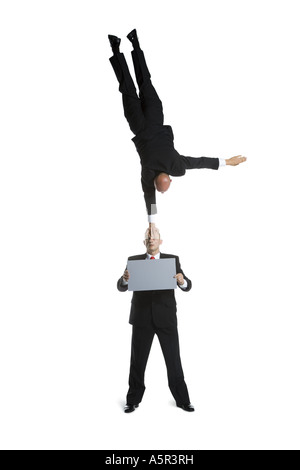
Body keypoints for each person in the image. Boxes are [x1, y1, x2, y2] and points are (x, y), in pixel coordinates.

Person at [108, 29, 247, 222]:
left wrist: (226, 162)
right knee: (132, 87)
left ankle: (126, 46)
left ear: (170, 179)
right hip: (148, 121)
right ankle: (122, 46)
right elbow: (150, 196)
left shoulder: (176, 166)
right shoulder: (151, 171)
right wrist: (151, 222)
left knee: (139, 84)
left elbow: (200, 162)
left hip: (145, 121)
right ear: (169, 179)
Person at [117, 225, 194, 413]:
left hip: (166, 318)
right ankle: (132, 399)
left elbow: (188, 285)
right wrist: (125, 279)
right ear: (145, 242)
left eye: (154, 235)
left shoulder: (172, 260)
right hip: (141, 318)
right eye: (148, 236)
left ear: (160, 241)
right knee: (137, 362)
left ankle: (183, 400)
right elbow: (120, 286)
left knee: (173, 360)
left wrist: (181, 281)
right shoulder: (133, 261)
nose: (151, 238)